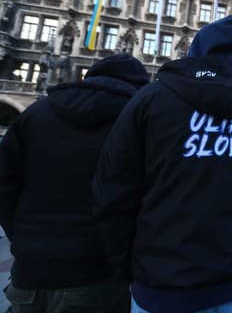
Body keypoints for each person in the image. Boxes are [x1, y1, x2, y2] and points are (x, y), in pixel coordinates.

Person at [92, 16, 232, 313]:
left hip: (161, 289)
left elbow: (111, 192)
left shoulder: (149, 102)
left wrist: (132, 267)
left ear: (194, 51)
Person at [0, 54, 149, 313]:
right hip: (96, 273)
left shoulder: (36, 113)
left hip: (30, 270)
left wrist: (23, 239)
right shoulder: (133, 122)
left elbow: (4, 185)